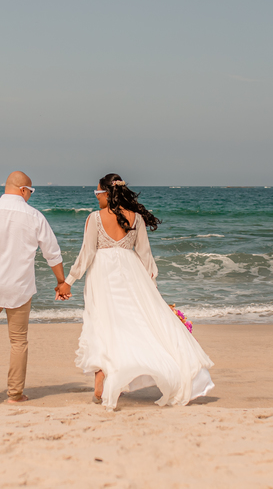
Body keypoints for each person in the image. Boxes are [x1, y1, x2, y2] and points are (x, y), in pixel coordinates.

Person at [63, 173, 214, 410]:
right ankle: (117, 376)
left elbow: (87, 254)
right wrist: (152, 288)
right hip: (132, 275)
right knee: (136, 325)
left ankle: (102, 379)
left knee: (102, 325)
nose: (96, 197)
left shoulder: (95, 218)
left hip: (102, 276)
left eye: (97, 192)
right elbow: (145, 255)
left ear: (107, 193)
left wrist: (68, 281)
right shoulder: (137, 218)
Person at [0, 171, 70, 402]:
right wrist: (61, 282)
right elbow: (52, 253)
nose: (31, 195)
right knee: (18, 340)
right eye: (31, 191)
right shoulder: (35, 216)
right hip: (19, 287)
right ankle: (15, 394)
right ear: (23, 190)